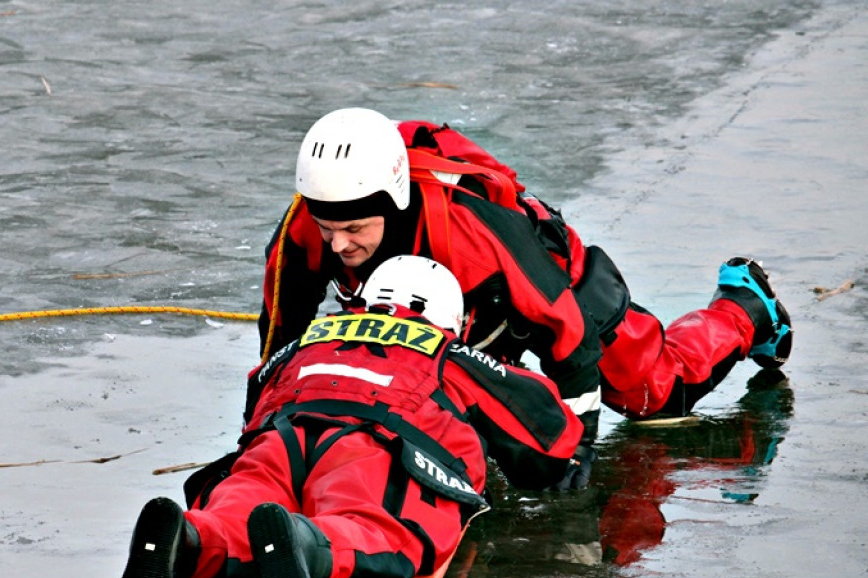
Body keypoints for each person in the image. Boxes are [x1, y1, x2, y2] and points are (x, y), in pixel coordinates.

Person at [117, 256, 585, 578]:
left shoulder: (305, 341)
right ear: (448, 318)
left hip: (278, 436)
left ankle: (192, 541)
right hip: (373, 445)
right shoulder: (447, 351)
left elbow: (257, 389)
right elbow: (546, 433)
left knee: (241, 504)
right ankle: (308, 548)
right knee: (376, 528)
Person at [259, 107, 793, 441]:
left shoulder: (473, 233)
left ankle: (745, 307)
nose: (337, 243)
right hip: (462, 315)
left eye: (353, 228)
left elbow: (570, 335)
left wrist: (577, 446)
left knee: (654, 398)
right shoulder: (308, 224)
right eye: (327, 227)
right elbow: (281, 338)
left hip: (550, 285)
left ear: (392, 204)